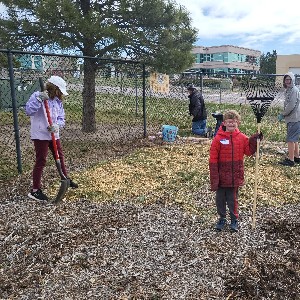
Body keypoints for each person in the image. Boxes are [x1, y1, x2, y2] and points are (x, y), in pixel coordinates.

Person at [25, 75, 78, 201]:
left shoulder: (58, 101)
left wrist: (57, 125)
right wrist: (38, 99)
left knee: (59, 155)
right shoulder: (38, 96)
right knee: (41, 160)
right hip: (40, 134)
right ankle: (35, 190)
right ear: (54, 88)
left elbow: (61, 118)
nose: (61, 94)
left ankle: (65, 178)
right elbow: (28, 111)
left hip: (54, 133)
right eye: (59, 91)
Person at [209, 110, 261, 232]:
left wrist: (254, 140)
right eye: (229, 122)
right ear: (224, 123)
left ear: (238, 123)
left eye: (234, 122)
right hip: (222, 176)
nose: (232, 124)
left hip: (235, 175)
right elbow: (213, 158)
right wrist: (214, 176)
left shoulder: (242, 138)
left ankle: (234, 219)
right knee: (220, 199)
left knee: (233, 199)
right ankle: (222, 218)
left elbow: (248, 151)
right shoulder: (218, 139)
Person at [278, 72, 300, 167]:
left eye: (289, 79)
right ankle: (296, 157)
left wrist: (283, 114)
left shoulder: (294, 90)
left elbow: (291, 105)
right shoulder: (288, 90)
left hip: (293, 118)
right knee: (294, 139)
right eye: (286, 79)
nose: (287, 81)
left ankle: (291, 161)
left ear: (292, 80)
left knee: (290, 140)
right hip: (292, 117)